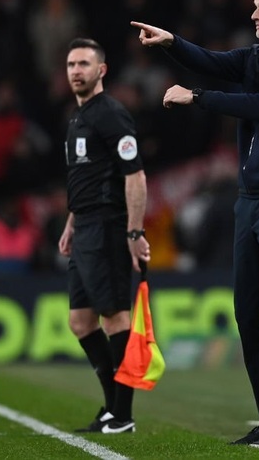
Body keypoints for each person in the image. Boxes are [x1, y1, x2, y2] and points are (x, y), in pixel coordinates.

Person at [132, 0, 259, 450]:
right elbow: (213, 62)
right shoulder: (258, 57)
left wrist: (196, 97)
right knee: (248, 312)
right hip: (251, 198)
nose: (255, 15)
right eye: (255, 7)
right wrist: (172, 43)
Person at [58, 38, 151, 434]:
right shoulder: (77, 118)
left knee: (115, 316)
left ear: (102, 70)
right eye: (70, 64)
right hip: (85, 227)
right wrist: (71, 222)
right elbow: (86, 178)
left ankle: (123, 414)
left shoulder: (111, 114)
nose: (76, 70)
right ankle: (112, 408)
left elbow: (136, 176)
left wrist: (133, 231)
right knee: (81, 321)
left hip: (110, 226)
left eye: (83, 64)